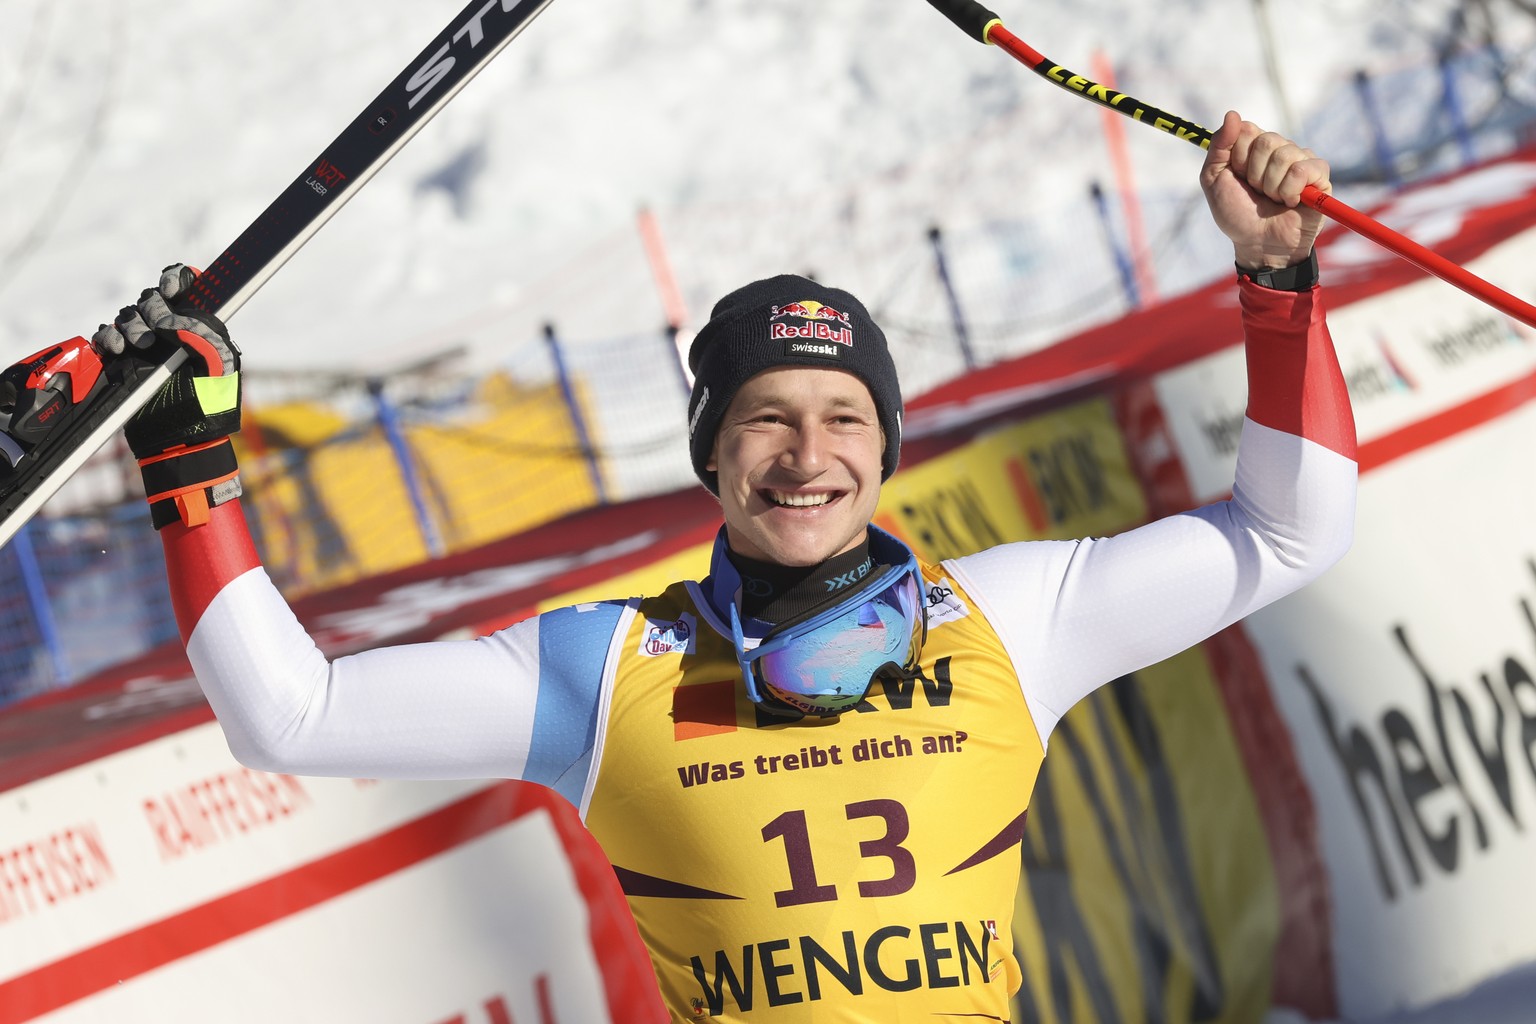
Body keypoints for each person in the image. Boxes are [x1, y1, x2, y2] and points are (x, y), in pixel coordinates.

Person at [97, 111, 1355, 1021]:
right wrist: (192, 466)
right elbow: (289, 714)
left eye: (845, 417)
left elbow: (1288, 531)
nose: (808, 454)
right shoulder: (606, 669)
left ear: (885, 448)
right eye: (766, 416)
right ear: (710, 453)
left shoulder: (1012, 620)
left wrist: (1278, 277)